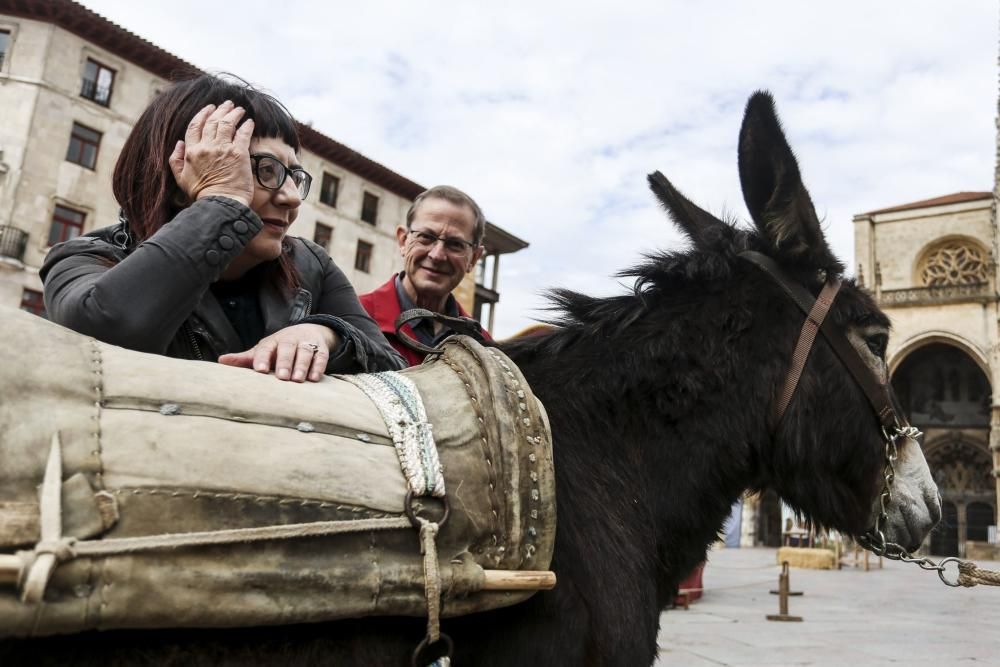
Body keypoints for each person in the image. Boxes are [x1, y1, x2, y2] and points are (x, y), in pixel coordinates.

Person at [42, 74, 404, 380]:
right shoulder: (86, 257)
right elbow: (107, 328)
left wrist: (325, 334)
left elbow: (395, 373)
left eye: (294, 175)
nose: (292, 197)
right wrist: (223, 199)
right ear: (181, 170)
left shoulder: (311, 264)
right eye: (265, 170)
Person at [360, 185, 489, 366]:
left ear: (473, 258)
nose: (437, 255)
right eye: (426, 237)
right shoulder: (353, 319)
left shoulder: (484, 348)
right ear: (403, 240)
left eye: (455, 244)